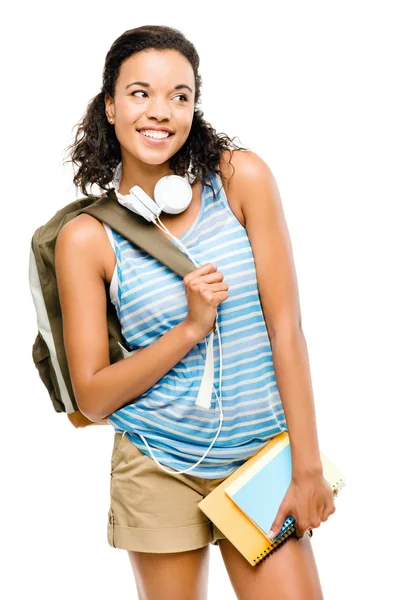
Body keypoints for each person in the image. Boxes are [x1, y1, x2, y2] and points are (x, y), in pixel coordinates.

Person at [56, 25, 335, 600]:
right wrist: (190, 327)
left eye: (179, 96)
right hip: (157, 463)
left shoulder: (240, 180)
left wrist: (306, 465)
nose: (160, 112)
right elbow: (93, 396)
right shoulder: (86, 238)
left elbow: (287, 330)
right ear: (109, 106)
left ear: (193, 107)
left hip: (258, 457)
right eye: (140, 93)